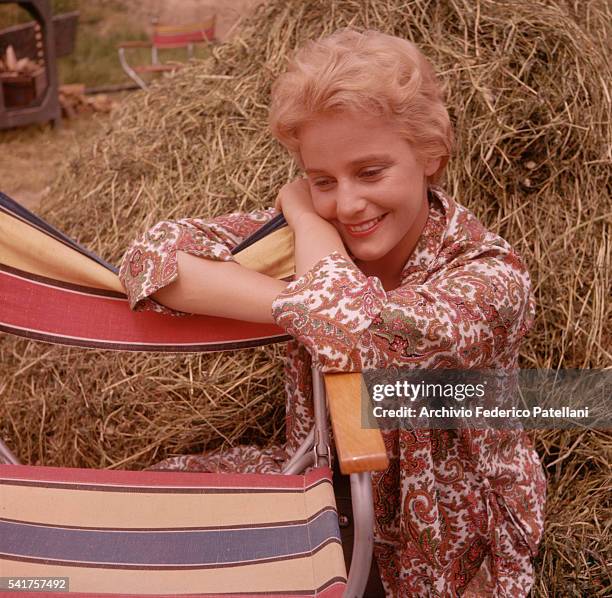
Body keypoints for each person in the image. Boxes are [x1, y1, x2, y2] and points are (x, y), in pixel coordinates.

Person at [119, 28, 546, 597]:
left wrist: (307, 228)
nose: (346, 204)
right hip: (320, 485)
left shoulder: (492, 280)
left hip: (445, 536)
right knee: (138, 512)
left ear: (431, 155)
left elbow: (360, 332)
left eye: (370, 172)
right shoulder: (322, 233)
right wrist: (295, 293)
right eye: (322, 181)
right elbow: (151, 257)